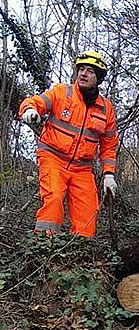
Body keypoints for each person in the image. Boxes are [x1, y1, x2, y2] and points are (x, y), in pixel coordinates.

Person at [19, 50, 119, 237]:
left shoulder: (106, 108)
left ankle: (79, 256)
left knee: (88, 213)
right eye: (81, 69)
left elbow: (109, 144)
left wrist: (109, 174)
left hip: (82, 168)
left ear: (98, 77)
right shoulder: (61, 93)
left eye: (89, 70)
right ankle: (43, 248)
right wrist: (29, 109)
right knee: (54, 198)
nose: (83, 73)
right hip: (53, 159)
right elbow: (35, 102)